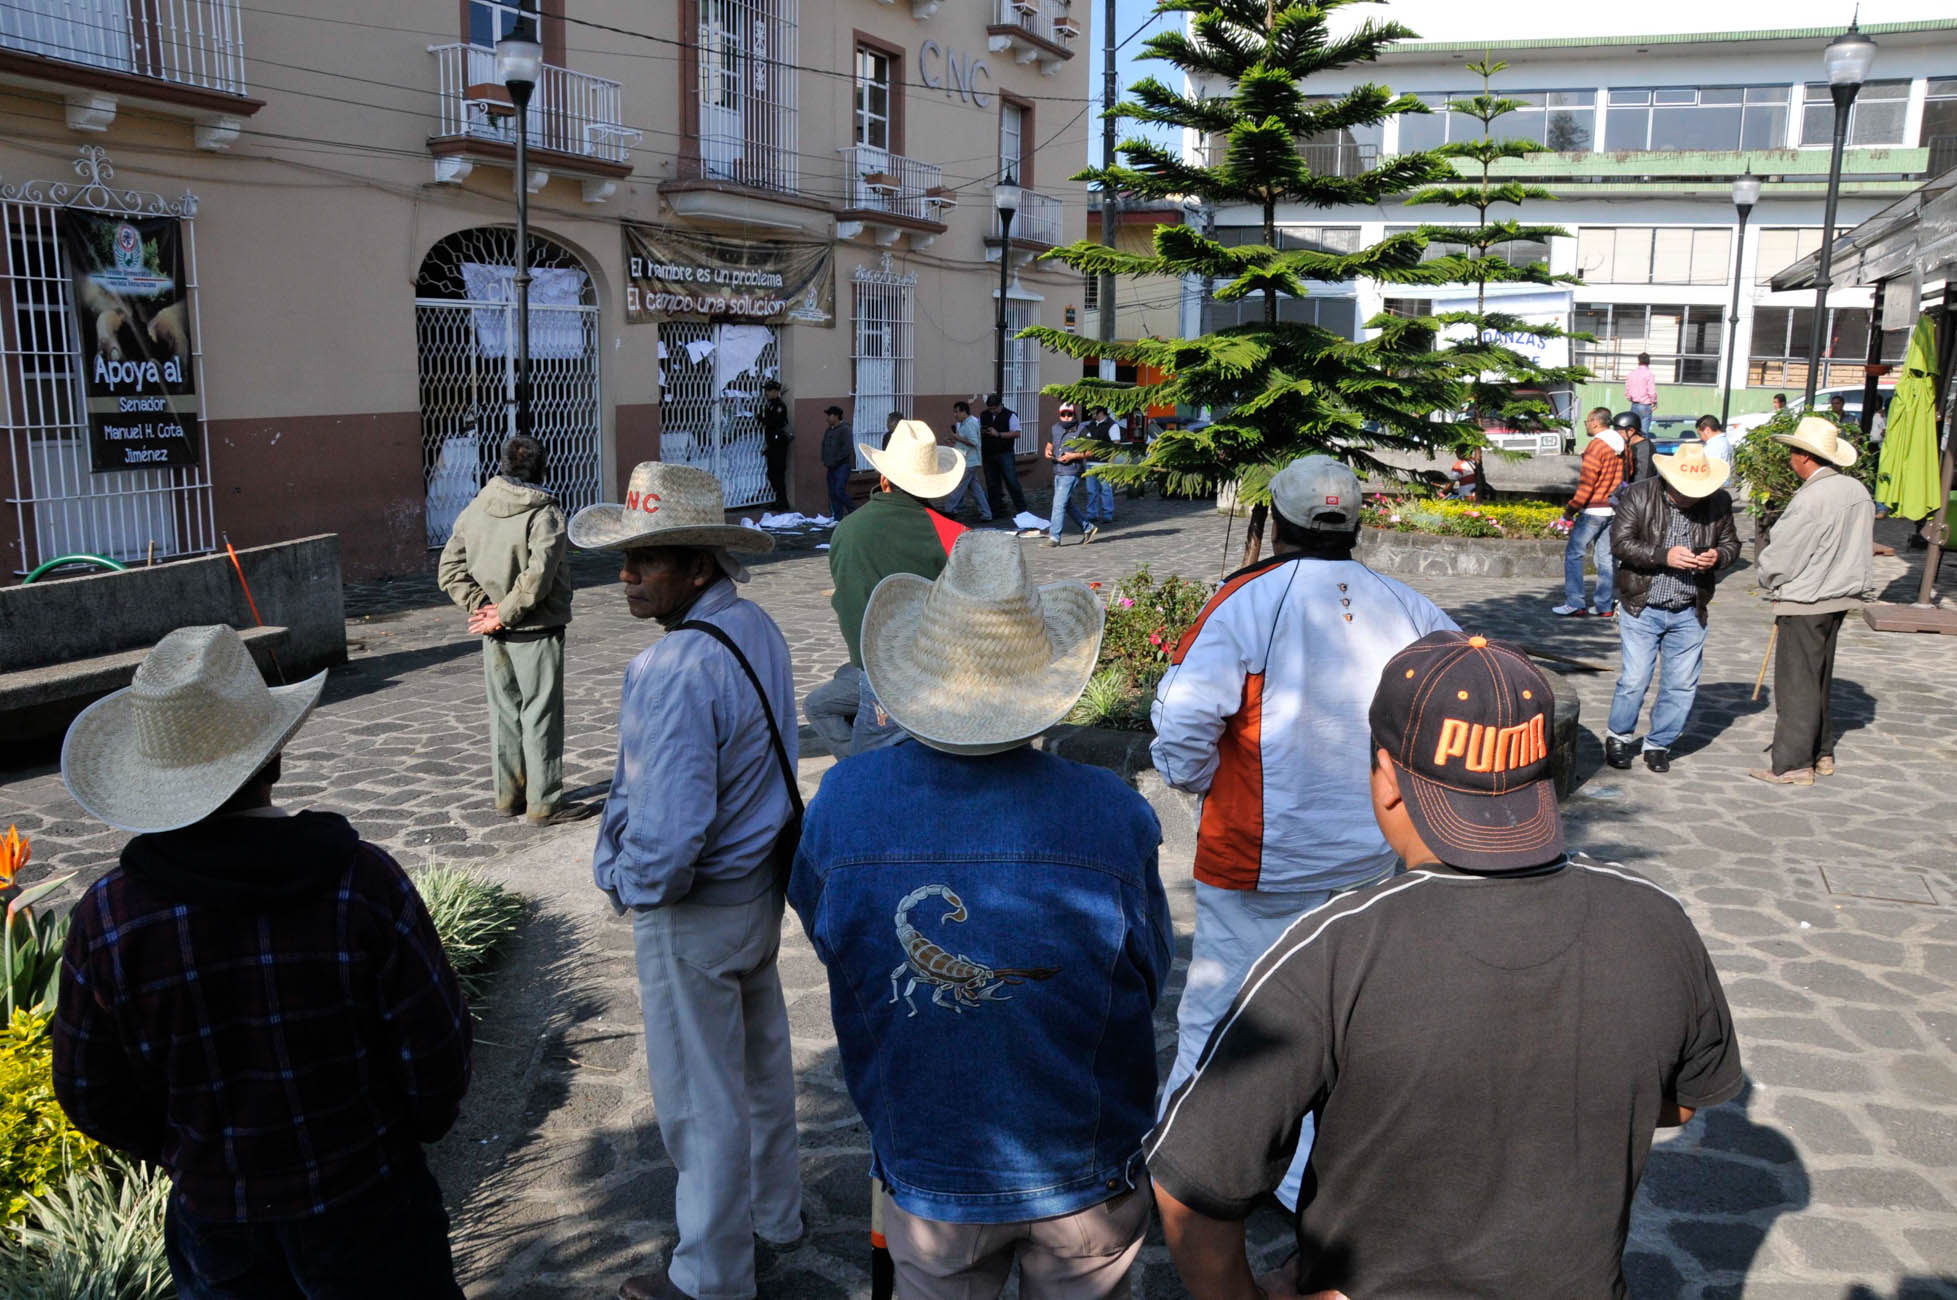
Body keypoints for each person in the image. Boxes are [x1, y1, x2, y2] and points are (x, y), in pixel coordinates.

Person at [1148, 630, 1743, 1300]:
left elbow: (1190, 1187)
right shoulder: (1655, 920)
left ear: (1385, 780)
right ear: (1544, 774)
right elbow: (1684, 1102)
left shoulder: (1336, 947)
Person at [791, 530, 1170, 1300]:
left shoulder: (844, 802)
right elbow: (1148, 968)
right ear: (1041, 682)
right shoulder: (1113, 810)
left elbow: (829, 935)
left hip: (927, 1158)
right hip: (1082, 1162)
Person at [52, 625, 473, 1298]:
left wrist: (187, 1152)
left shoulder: (109, 919)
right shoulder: (363, 885)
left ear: (150, 773)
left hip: (218, 1222)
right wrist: (401, 1136)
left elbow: (89, 1089)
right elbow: (436, 1054)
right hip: (372, 1200)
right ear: (274, 754)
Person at [1149, 454, 1457, 1212]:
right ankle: (1303, 1181)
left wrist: (1198, 784)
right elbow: (1459, 702)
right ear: (1356, 522)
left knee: (1217, 1009)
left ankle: (1189, 1164)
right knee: (1337, 1017)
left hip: (1257, 854)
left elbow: (1183, 722)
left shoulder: (1244, 601)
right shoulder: (1410, 606)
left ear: (1277, 522)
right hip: (1375, 853)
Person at [569, 463, 804, 1300]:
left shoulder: (670, 670)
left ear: (698, 567)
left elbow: (667, 836)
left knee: (699, 1100)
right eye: (623, 560)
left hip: (695, 908)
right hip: (755, 893)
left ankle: (710, 1276)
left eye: (645, 561)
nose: (625, 577)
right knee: (760, 1068)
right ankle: (776, 1214)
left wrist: (631, 887)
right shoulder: (756, 627)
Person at [437, 433, 583, 825]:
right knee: (540, 716)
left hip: (494, 631)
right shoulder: (544, 514)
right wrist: (503, 611)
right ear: (543, 466)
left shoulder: (476, 508)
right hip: (534, 627)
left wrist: (483, 609)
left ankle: (508, 797)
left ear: (501, 464)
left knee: (504, 715)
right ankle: (544, 804)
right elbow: (539, 577)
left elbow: (448, 569)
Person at [818, 419, 967, 756]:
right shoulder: (956, 536)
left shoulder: (847, 529)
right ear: (935, 487)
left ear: (883, 480)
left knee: (865, 774)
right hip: (937, 675)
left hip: (873, 670)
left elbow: (845, 597)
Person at [1751, 417, 1875, 786]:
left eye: (1793, 452)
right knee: (1818, 677)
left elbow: (1784, 553)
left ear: (1805, 457)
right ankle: (1822, 754)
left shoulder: (1812, 498)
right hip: (1838, 595)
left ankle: (1793, 763)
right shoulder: (1856, 490)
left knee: (1797, 683)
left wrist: (1769, 578)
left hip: (1807, 597)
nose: (1790, 459)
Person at [1604, 442, 1742, 774]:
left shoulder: (1719, 501)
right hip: (1643, 604)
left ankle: (1659, 743)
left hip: (1689, 606)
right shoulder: (1639, 495)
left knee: (1681, 683)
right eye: (1687, 491)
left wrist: (1718, 557)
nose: (1693, 497)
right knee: (1635, 678)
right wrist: (1664, 555)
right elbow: (1619, 543)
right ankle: (1619, 737)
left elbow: (1732, 545)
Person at [1555, 407, 1623, 617]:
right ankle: (1604, 605)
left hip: (1593, 508)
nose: (1585, 425)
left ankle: (1575, 602)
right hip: (1612, 508)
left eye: (1586, 421)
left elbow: (1587, 483)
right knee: (1606, 557)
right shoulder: (1621, 446)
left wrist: (1570, 510)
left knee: (1574, 554)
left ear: (1595, 422)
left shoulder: (1597, 446)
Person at [1043, 403, 1098, 546]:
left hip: (1072, 471)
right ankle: (1088, 528)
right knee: (1065, 504)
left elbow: (1091, 451)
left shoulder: (1082, 429)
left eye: (1070, 414)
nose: (1067, 418)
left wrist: (1073, 456)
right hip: (1057, 469)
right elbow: (1049, 445)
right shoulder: (1055, 428)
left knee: (1058, 504)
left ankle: (1054, 537)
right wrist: (1048, 452)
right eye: (1064, 414)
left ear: (1074, 414)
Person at [939, 399, 991, 521]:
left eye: (957, 412)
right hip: (969, 460)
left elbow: (973, 442)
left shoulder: (970, 423)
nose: (955, 415)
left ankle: (949, 510)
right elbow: (966, 442)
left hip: (970, 462)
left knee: (958, 487)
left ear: (964, 412)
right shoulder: (965, 423)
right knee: (976, 489)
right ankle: (986, 513)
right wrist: (954, 441)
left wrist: (957, 438)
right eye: (954, 412)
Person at [979, 392, 1029, 516]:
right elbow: (979, 429)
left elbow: (1017, 433)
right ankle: (996, 509)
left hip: (1005, 452)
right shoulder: (984, 415)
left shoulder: (1010, 415)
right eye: (990, 408)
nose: (992, 411)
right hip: (988, 453)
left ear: (1000, 405)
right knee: (992, 483)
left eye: (994, 408)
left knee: (1011, 482)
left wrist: (999, 434)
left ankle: (1022, 509)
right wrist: (983, 431)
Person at [1082, 404, 1121, 524]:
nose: (1092, 414)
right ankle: (1092, 514)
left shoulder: (1112, 425)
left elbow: (1116, 444)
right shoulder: (1090, 425)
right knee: (1091, 490)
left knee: (1105, 489)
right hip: (1090, 462)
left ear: (1101, 412)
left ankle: (1107, 514)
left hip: (1104, 462)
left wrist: (1112, 462)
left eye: (1094, 412)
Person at [760, 379, 793, 509]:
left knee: (777, 473)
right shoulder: (770, 404)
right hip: (772, 443)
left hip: (778, 444)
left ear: (775, 391)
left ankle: (782, 502)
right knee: (772, 473)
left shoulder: (779, 406)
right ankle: (779, 500)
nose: (766, 393)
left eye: (768, 390)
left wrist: (762, 419)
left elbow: (775, 423)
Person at [820, 405, 855, 521]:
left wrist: (836, 460)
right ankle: (838, 517)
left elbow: (847, 448)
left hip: (842, 466)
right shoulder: (829, 430)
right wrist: (825, 459)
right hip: (831, 466)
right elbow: (824, 445)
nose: (827, 418)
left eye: (829, 415)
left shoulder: (845, 429)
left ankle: (853, 511)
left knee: (839, 491)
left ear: (836, 416)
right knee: (833, 494)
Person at [1625, 351, 1657, 432]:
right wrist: (1654, 402)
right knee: (1644, 432)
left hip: (1634, 404)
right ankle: (1643, 444)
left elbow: (1628, 389)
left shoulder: (1631, 374)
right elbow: (1652, 391)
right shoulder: (1649, 374)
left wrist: (1629, 397)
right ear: (1649, 362)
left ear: (1638, 361)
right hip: (1645, 405)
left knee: (1633, 430)